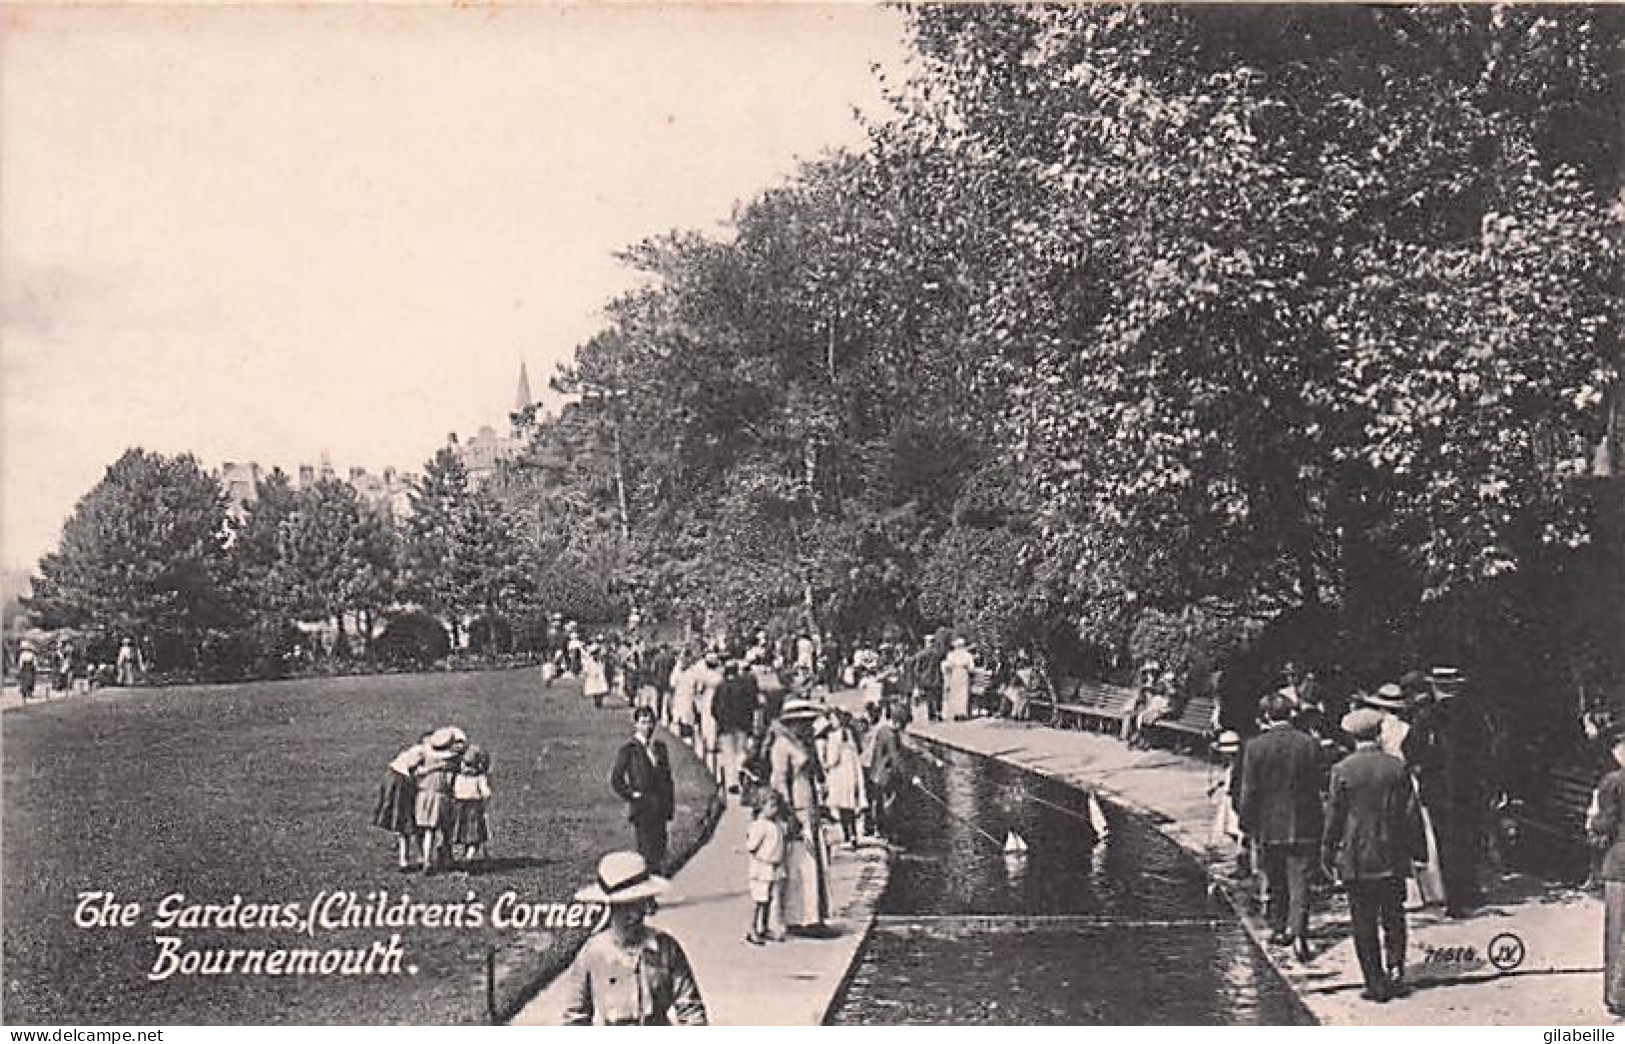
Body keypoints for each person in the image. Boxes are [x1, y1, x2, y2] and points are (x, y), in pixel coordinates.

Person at [1322, 708, 1426, 1003]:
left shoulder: (1342, 770)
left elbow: (1334, 818)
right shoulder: (1396, 767)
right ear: (1378, 733)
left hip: (1357, 855)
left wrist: (1327, 852)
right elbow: (1410, 813)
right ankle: (1396, 970)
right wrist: (1418, 851)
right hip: (1392, 853)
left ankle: (1374, 980)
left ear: (1351, 736)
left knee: (1363, 920)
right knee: (1394, 914)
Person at [560, 851, 708, 1026]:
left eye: (639, 905)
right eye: (625, 907)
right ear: (609, 908)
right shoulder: (593, 954)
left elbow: (691, 1012)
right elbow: (575, 1018)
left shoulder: (665, 948)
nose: (634, 915)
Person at [1239, 692, 1324, 962]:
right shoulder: (1309, 744)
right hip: (1304, 821)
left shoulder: (1254, 747)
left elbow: (1249, 789)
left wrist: (1246, 822)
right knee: (1301, 880)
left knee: (1275, 878)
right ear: (1291, 714)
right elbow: (1319, 783)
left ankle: (1279, 928)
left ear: (1265, 717)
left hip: (1268, 823)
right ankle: (1299, 934)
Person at [1403, 666, 1488, 918]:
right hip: (1469, 785)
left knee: (1446, 842)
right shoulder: (1474, 713)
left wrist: (1423, 766)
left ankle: (1455, 899)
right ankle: (1472, 890)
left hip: (1439, 787)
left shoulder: (1425, 716)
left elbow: (1411, 748)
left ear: (1434, 686)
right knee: (1468, 835)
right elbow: (1487, 747)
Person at [770, 700, 831, 934]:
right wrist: (788, 813)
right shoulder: (782, 746)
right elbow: (779, 781)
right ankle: (802, 918)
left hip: (809, 805)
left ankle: (814, 914)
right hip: (796, 808)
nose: (807, 727)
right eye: (803, 723)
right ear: (792, 723)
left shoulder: (803, 744)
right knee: (801, 863)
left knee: (814, 861)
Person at [610, 706, 675, 875]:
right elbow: (616, 779)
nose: (648, 727)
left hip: (660, 807)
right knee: (646, 851)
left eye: (650, 722)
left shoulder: (660, 748)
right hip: (643, 808)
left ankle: (657, 886)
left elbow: (667, 779)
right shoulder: (629, 750)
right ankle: (647, 891)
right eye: (643, 723)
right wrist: (632, 794)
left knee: (660, 848)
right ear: (636, 725)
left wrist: (669, 805)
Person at [1589, 728, 1625, 1016]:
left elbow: (1603, 825)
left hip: (1620, 863)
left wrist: (1592, 821)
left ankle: (1617, 995)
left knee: (1617, 931)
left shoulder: (1612, 782)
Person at [374, 731, 430, 872]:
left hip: (394, 780)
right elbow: (418, 772)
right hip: (401, 784)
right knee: (408, 822)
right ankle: (416, 857)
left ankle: (406, 859)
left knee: (405, 826)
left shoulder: (413, 752)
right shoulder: (422, 752)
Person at [414, 728, 466, 875]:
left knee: (428, 830)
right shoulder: (450, 763)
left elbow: (418, 774)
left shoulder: (426, 758)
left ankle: (426, 860)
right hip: (442, 798)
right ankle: (447, 858)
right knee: (445, 830)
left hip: (424, 796)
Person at [818, 712, 867, 849]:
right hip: (852, 773)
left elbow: (832, 760)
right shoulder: (851, 734)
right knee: (850, 806)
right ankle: (854, 834)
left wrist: (825, 764)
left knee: (842, 806)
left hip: (839, 775)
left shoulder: (834, 737)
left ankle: (847, 834)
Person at [745, 791, 787, 945]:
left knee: (768, 899)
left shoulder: (773, 824)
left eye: (776, 806)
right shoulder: (760, 826)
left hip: (773, 867)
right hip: (762, 868)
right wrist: (763, 857)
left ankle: (763, 927)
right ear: (761, 806)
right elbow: (751, 846)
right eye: (771, 806)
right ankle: (752, 928)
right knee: (759, 900)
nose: (775, 810)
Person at [712, 661, 758, 796]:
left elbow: (714, 708)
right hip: (742, 725)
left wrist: (719, 720)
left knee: (728, 754)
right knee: (741, 751)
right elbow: (751, 705)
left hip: (725, 726)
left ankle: (731, 782)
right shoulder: (743, 686)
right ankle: (740, 772)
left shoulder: (720, 687)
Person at [865, 701, 907, 842]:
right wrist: (910, 776)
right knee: (889, 805)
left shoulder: (882, 730)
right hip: (886, 775)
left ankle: (879, 830)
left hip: (876, 773)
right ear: (898, 721)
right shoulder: (890, 735)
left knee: (878, 803)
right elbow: (895, 757)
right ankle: (889, 835)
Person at [451, 746, 493, 867]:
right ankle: (468, 856)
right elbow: (486, 793)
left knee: (462, 833)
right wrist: (485, 798)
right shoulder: (480, 778)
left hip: (460, 807)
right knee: (475, 835)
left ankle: (463, 856)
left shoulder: (459, 777)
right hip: (474, 807)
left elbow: (455, 791)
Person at [941, 637, 976, 722]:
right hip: (963, 674)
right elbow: (971, 668)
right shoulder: (968, 655)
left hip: (955, 674)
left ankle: (956, 712)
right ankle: (962, 713)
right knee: (963, 693)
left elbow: (947, 665)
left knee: (955, 694)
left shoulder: (951, 655)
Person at [582, 643, 610, 709]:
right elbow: (586, 669)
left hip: (600, 677)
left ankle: (599, 702)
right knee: (594, 691)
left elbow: (602, 667)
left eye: (597, 653)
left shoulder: (600, 660)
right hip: (592, 677)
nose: (596, 655)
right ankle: (597, 703)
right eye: (594, 653)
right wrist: (587, 674)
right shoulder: (589, 661)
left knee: (601, 690)